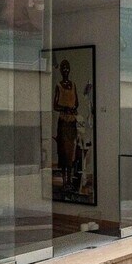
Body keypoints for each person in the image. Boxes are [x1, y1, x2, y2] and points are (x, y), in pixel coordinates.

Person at [53, 59, 79, 192]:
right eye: (63, 68)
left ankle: (70, 180)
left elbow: (77, 103)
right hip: (63, 123)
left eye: (67, 68)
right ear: (60, 70)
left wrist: (73, 109)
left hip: (72, 122)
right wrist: (65, 108)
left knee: (71, 152)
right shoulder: (59, 86)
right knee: (63, 152)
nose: (65, 70)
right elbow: (55, 106)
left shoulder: (73, 85)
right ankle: (64, 180)